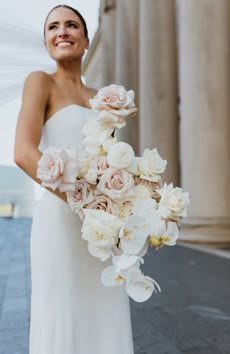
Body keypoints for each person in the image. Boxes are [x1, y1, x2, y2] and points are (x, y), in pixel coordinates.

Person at [14, 5, 134, 354]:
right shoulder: (41, 82)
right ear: (47, 41)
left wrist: (129, 202)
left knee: (105, 310)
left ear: (85, 40)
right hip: (62, 223)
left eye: (71, 25)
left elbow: (112, 163)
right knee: (62, 312)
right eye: (53, 27)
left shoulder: (106, 100)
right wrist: (85, 202)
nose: (62, 31)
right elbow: (23, 152)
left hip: (104, 228)